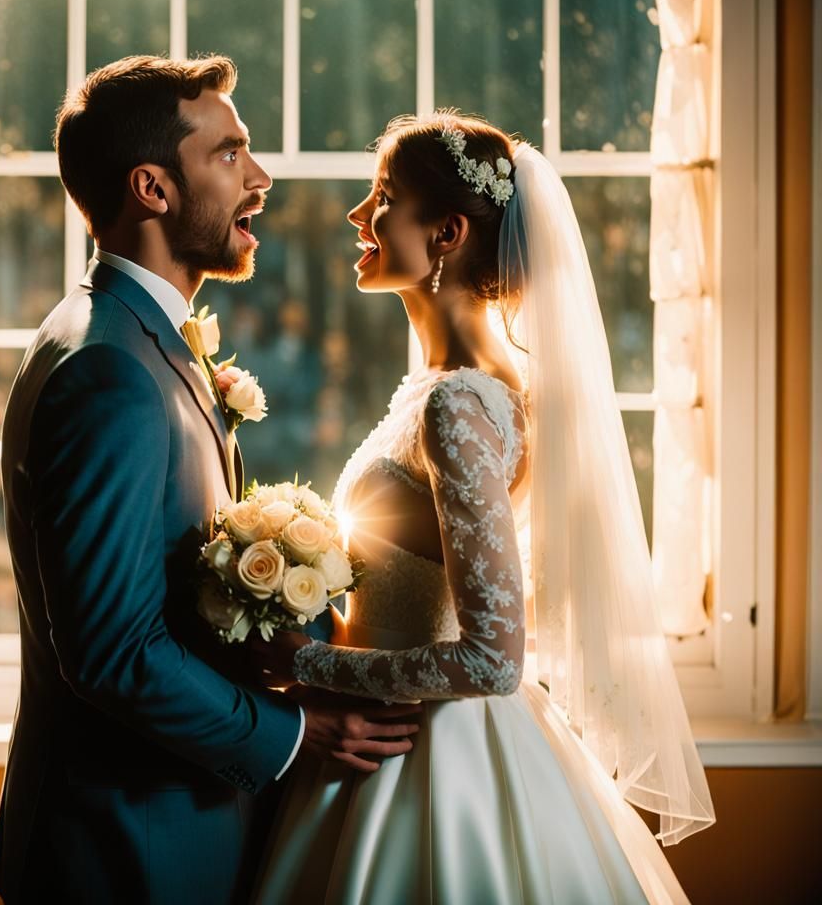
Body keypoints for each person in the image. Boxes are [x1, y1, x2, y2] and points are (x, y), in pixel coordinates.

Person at [0, 55, 421, 905]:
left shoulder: (130, 333)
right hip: (127, 851)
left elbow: (166, 592)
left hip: (156, 833)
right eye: (229, 155)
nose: (259, 178)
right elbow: (114, 653)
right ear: (152, 188)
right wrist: (294, 735)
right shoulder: (106, 369)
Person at [251, 111, 716, 904]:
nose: (359, 216)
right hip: (387, 743)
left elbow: (494, 661)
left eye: (383, 197)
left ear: (447, 233)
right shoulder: (446, 389)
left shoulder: (459, 405)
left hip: (431, 761)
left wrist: (303, 663)